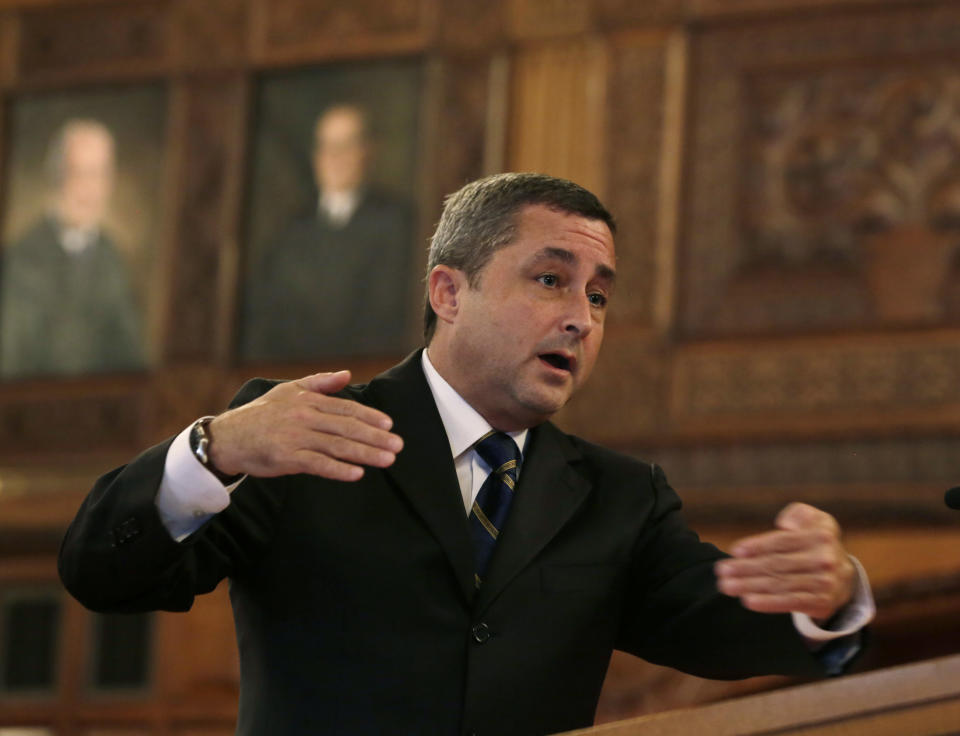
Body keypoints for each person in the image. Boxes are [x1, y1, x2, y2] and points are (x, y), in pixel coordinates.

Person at [60, 173, 874, 736]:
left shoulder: (619, 497)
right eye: (551, 280)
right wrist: (215, 448)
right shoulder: (300, 434)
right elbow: (104, 572)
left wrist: (827, 593)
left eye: (599, 294)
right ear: (449, 292)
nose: (583, 319)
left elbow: (720, 626)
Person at [241, 103, 414, 361]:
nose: (335, 158)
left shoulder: (395, 222)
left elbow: (386, 314)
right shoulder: (291, 229)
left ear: (367, 152)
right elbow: (267, 312)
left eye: (346, 146)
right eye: (327, 147)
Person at [0, 119, 144, 378]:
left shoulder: (111, 258)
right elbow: (11, 358)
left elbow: (130, 353)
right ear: (58, 177)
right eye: (79, 174)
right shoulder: (23, 258)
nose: (89, 189)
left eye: (99, 175)